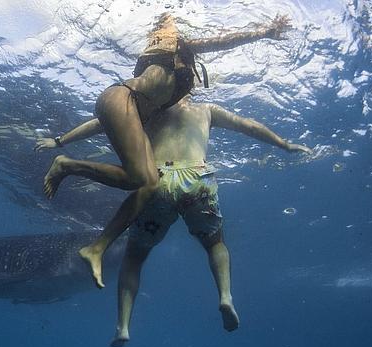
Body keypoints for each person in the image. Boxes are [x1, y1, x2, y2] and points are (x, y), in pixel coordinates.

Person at [38, 14, 293, 288]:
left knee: (149, 184)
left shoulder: (156, 96)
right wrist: (266, 31)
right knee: (140, 179)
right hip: (118, 98)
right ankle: (66, 166)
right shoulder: (175, 51)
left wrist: (61, 139)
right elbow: (222, 42)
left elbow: (101, 122)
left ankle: (96, 248)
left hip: (116, 101)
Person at [38, 95, 312, 347]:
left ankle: (123, 326)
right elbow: (248, 125)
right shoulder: (206, 110)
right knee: (215, 244)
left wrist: (60, 141)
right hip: (198, 178)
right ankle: (225, 297)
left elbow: (102, 123)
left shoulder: (147, 110)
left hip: (159, 180)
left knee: (134, 258)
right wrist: (283, 144)